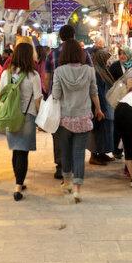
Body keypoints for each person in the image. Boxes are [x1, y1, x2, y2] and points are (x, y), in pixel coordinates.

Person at [51, 38, 103, 203]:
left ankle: (66, 182)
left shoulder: (59, 71)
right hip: (83, 117)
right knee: (79, 154)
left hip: (65, 118)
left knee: (65, 152)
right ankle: (77, 189)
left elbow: (56, 95)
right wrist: (98, 109)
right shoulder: (89, 71)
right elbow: (94, 92)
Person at [43, 25, 91, 179]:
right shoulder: (84, 53)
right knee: (78, 136)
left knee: (59, 136)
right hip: (80, 101)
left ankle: (61, 165)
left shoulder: (53, 54)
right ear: (74, 35)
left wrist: (49, 93)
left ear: (60, 37)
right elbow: (90, 75)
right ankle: (75, 167)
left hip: (59, 101)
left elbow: (46, 78)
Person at [0, 42, 42, 201]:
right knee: (23, 152)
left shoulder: (6, 74)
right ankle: (18, 186)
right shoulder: (33, 75)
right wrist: (41, 116)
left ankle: (19, 181)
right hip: (27, 116)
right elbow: (38, 99)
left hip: (11, 116)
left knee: (16, 150)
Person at [91, 48, 116, 165]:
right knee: (99, 131)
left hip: (106, 104)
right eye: (105, 59)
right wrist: (100, 108)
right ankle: (95, 156)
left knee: (105, 130)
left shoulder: (102, 70)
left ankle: (102, 153)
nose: (107, 62)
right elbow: (98, 91)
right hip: (101, 105)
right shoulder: (97, 72)